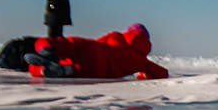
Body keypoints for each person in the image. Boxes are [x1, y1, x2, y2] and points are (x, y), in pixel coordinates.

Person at [26, 23, 168, 80]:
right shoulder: (141, 61)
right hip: (99, 71)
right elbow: (163, 73)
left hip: (92, 49)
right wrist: (143, 75)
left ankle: (46, 50)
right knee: (72, 68)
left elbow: (100, 41)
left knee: (61, 44)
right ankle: (45, 70)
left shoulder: (117, 35)